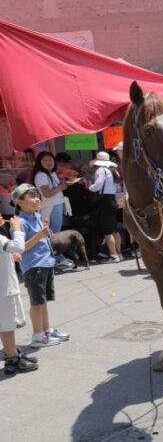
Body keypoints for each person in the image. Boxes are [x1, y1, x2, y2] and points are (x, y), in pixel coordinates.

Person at [13, 184, 70, 348]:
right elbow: (21, 247)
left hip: (45, 262)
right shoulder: (20, 222)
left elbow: (41, 236)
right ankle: (38, 336)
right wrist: (39, 236)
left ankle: (47, 330)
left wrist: (46, 233)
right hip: (34, 265)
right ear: (20, 202)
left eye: (36, 195)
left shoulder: (36, 216)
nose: (36, 199)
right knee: (36, 302)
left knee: (42, 301)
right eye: (31, 196)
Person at [1, 215, 39, 375]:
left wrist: (10, 255)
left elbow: (12, 250)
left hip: (4, 288)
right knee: (7, 326)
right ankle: (12, 359)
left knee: (5, 324)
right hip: (4, 290)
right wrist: (16, 228)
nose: (2, 216)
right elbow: (18, 246)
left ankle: (13, 354)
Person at [30, 151, 81, 270]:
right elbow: (47, 194)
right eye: (45, 160)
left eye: (50, 160)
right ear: (39, 163)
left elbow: (53, 189)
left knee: (53, 233)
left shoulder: (51, 173)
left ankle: (54, 258)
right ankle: (56, 259)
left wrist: (64, 183)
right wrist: (61, 187)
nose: (48, 162)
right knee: (53, 234)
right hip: (50, 206)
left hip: (56, 205)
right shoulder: (41, 175)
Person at [88, 152, 123, 263]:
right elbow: (117, 188)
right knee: (115, 230)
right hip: (113, 199)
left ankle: (113, 255)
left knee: (107, 230)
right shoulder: (114, 171)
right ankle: (119, 253)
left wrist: (89, 186)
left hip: (104, 201)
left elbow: (98, 185)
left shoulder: (100, 170)